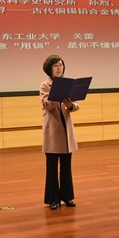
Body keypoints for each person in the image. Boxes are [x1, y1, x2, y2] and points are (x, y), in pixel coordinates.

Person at [39, 54, 80, 210]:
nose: (59, 68)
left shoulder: (68, 84)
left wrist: (70, 105)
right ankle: (53, 199)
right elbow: (47, 104)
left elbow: (75, 105)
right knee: (52, 168)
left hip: (66, 131)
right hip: (53, 132)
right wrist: (57, 95)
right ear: (49, 68)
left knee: (66, 167)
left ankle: (67, 197)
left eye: (61, 65)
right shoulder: (44, 85)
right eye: (56, 65)